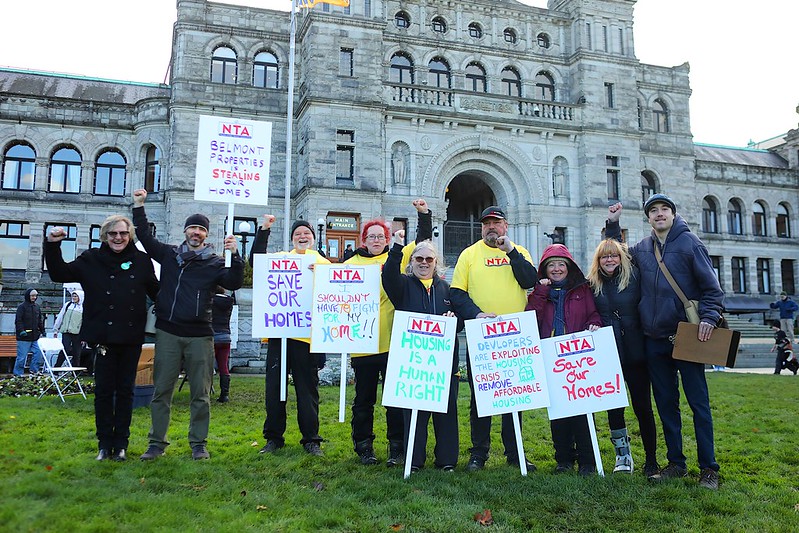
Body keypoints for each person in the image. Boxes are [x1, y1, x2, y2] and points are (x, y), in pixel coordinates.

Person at [606, 195, 724, 490]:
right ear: (648, 218)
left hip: (687, 335)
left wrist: (709, 318)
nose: (659, 214)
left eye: (664, 210)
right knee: (666, 405)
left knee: (699, 404)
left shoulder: (690, 243)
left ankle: (708, 468)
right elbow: (614, 256)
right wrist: (613, 224)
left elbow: (712, 288)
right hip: (655, 339)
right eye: (653, 211)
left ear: (673, 214)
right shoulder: (643, 249)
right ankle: (676, 463)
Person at [132, 189, 244, 461]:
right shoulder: (170, 255)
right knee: (162, 392)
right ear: (185, 231)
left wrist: (237, 256)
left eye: (201, 229)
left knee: (201, 394)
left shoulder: (216, 263)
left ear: (207, 234)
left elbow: (234, 282)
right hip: (169, 332)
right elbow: (145, 238)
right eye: (192, 227)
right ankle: (156, 443)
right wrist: (139, 206)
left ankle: (198, 444)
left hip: (200, 336)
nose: (196, 232)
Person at [44, 216, 159, 461]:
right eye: (113, 234)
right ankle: (104, 444)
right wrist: (53, 245)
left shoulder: (141, 261)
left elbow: (158, 293)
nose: (118, 238)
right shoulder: (91, 260)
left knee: (126, 392)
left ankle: (121, 445)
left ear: (130, 236)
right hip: (104, 339)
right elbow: (58, 273)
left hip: (130, 337)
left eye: (123, 234)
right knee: (105, 392)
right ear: (105, 235)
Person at [450, 206, 538, 472]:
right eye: (487, 224)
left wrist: (509, 251)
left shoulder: (519, 252)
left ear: (506, 227)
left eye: (496, 223)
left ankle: (516, 452)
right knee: (481, 398)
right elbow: (457, 293)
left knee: (515, 398)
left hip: (514, 338)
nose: (492, 228)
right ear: (481, 228)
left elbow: (529, 280)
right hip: (483, 337)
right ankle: (479, 453)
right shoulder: (470, 254)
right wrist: (475, 315)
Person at [345, 199, 432, 466]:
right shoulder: (350, 262)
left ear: (386, 239)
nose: (376, 240)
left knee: (394, 400)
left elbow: (423, 243)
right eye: (371, 236)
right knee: (363, 400)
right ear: (363, 239)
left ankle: (397, 447)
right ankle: (364, 445)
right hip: (363, 343)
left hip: (395, 341)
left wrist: (423, 214)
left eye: (380, 236)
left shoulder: (397, 255)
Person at [250, 215, 330, 456]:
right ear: (293, 239)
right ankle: (273, 438)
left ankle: (311, 439)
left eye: (306, 233)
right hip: (280, 335)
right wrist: (264, 230)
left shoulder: (323, 263)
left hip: (307, 338)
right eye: (298, 234)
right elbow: (257, 261)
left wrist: (323, 276)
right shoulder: (283, 259)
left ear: (313, 239)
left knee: (307, 391)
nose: (302, 236)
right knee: (274, 389)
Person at [382, 230, 461, 473]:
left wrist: (453, 318)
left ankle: (447, 460)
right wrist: (396, 246)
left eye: (429, 259)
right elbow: (388, 276)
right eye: (419, 259)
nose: (424, 263)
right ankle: (414, 461)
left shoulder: (447, 289)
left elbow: (462, 320)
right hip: (412, 364)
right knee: (414, 413)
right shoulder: (403, 286)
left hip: (444, 363)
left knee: (446, 413)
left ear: (437, 263)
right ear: (411, 262)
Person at [526, 244, 602, 475]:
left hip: (577, 358)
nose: (557, 269)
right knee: (558, 413)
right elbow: (531, 318)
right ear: (544, 269)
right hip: (551, 358)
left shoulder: (583, 290)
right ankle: (564, 459)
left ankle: (587, 461)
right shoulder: (539, 294)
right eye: (551, 265)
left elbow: (594, 313)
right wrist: (540, 292)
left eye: (561, 264)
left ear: (569, 267)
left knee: (582, 411)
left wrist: (595, 324)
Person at [586, 238, 660, 476]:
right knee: (614, 410)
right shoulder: (592, 285)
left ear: (621, 258)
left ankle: (651, 459)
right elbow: (589, 313)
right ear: (598, 260)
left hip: (637, 354)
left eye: (614, 255)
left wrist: (614, 225)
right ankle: (622, 456)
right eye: (605, 256)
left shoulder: (634, 278)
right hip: (609, 355)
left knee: (643, 408)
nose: (610, 260)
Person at [13, 288, 45, 376]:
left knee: (38, 353)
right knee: (22, 357)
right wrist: (21, 331)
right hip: (24, 337)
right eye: (32, 296)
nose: (34, 297)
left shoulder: (37, 307)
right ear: (28, 296)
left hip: (35, 336)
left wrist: (43, 331)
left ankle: (34, 370)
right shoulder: (21, 307)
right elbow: (18, 321)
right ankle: (18, 374)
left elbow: (39, 321)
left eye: (35, 296)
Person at [211, 286, 235, 403]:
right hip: (225, 336)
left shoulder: (210, 300)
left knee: (207, 366)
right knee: (223, 366)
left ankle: (204, 391)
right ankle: (224, 394)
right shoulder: (229, 301)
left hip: (212, 336)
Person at [53, 290, 84, 368]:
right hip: (66, 331)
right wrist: (56, 329)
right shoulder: (68, 305)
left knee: (77, 352)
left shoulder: (83, 308)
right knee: (65, 349)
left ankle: (76, 371)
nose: (74, 298)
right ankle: (57, 367)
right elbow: (60, 317)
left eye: (75, 296)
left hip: (77, 333)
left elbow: (85, 323)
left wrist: (84, 335)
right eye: (73, 296)